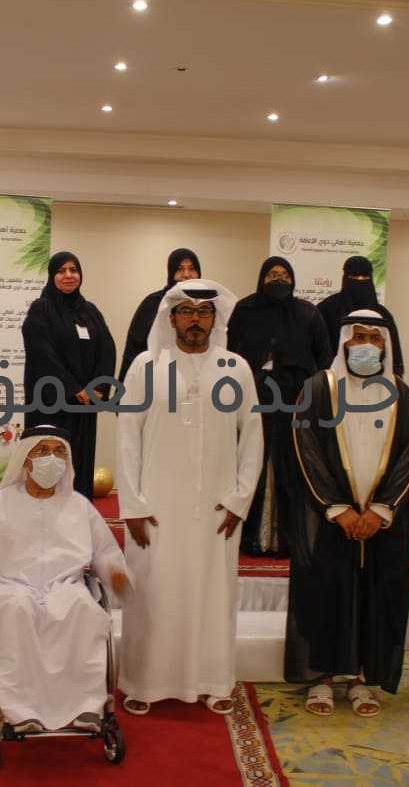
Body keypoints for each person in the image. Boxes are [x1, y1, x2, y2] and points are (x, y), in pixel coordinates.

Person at [117, 279, 263, 716]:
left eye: (203, 312)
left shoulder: (236, 368)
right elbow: (127, 437)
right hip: (156, 508)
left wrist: (239, 500)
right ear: (172, 317)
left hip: (216, 508)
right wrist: (133, 505)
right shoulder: (146, 366)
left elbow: (252, 437)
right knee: (155, 593)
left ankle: (212, 681)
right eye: (186, 311)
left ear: (215, 318)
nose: (195, 319)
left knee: (212, 595)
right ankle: (144, 682)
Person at [0, 424, 129, 732]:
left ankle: (84, 708)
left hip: (65, 587)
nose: (51, 459)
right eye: (42, 450)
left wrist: (115, 573)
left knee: (83, 610)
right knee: (17, 611)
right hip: (11, 588)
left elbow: (105, 553)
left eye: (59, 452)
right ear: (25, 459)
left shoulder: (80, 506)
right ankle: (22, 712)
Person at [284, 309, 409, 718]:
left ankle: (361, 679)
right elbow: (306, 449)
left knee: (373, 597)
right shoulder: (318, 388)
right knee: (325, 594)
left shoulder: (400, 393)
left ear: (386, 345)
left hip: (380, 524)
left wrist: (380, 510)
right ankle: (322, 679)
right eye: (358, 337)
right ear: (344, 341)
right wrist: (337, 508)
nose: (366, 345)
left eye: (374, 338)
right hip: (330, 521)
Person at [227, 256, 332, 557]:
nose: (278, 279)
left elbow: (323, 360)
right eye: (272, 274)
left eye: (284, 274)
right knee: (252, 463)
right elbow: (230, 356)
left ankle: (287, 539)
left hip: (295, 401)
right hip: (254, 399)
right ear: (261, 278)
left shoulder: (307, 313)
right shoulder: (245, 310)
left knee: (292, 467)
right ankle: (251, 538)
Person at [21, 251, 116, 498]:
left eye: (73, 270)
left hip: (84, 406)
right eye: (61, 271)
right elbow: (43, 355)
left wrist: (97, 388)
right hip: (52, 404)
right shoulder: (41, 309)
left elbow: (107, 349)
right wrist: (74, 389)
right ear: (52, 276)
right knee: (50, 466)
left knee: (80, 464)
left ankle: (78, 516)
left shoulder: (90, 311)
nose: (68, 275)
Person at [117, 248, 202, 381]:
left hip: (197, 375)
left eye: (192, 269)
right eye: (179, 269)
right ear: (171, 272)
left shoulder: (207, 304)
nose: (186, 275)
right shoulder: (153, 302)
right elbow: (134, 347)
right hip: (156, 377)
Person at [317, 256, 405, 376]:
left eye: (365, 277)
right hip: (335, 378)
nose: (360, 280)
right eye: (354, 277)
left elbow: (393, 352)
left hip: (375, 379)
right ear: (345, 278)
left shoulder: (382, 315)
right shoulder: (327, 308)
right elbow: (318, 349)